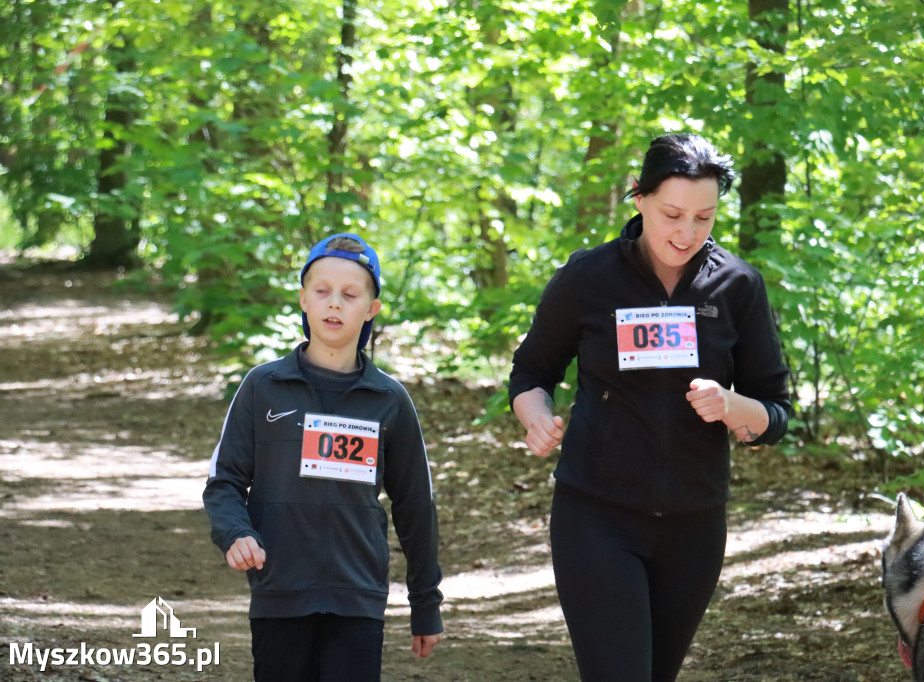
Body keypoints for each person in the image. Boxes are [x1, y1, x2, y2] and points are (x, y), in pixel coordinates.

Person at [509, 133, 790, 682]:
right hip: (596, 515)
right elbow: (531, 372)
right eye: (672, 214)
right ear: (639, 198)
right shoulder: (588, 277)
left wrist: (731, 405)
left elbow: (775, 412)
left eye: (704, 218)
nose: (686, 234)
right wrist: (536, 417)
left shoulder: (738, 287)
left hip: (694, 525)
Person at [203, 233, 443, 682]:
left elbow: (416, 506)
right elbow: (225, 481)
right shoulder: (263, 386)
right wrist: (235, 533)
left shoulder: (389, 400)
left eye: (350, 295)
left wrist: (425, 603)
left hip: (358, 597)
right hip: (280, 591)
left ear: (371, 309)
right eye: (322, 291)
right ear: (303, 300)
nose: (335, 304)